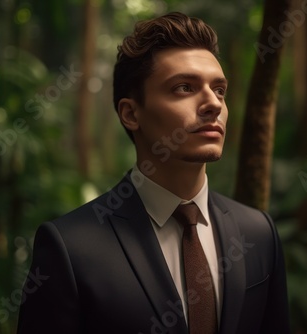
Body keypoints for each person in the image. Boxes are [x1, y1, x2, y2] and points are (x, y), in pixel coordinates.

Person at [17, 12, 290, 334]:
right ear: (131, 113)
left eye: (219, 90)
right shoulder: (71, 247)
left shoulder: (258, 233)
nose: (213, 104)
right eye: (184, 87)